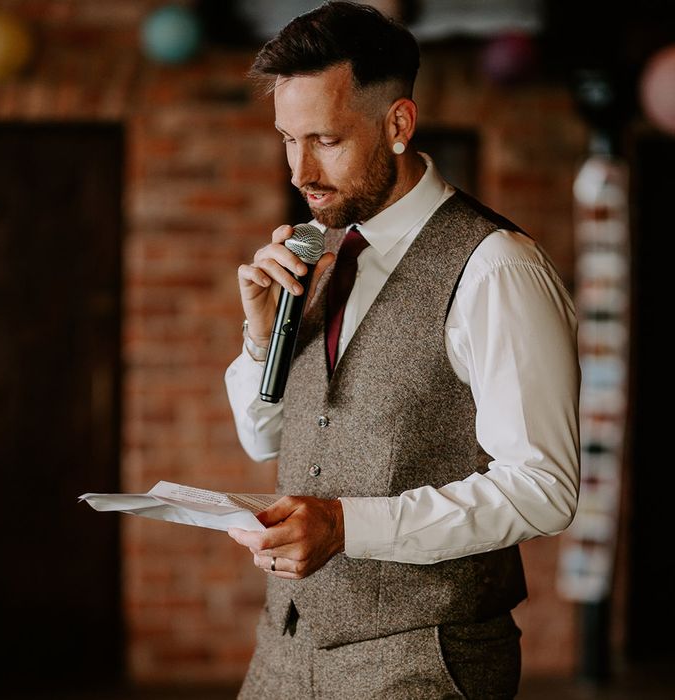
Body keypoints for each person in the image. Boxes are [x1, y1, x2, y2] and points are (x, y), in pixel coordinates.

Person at [224, 2, 580, 697]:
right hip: (281, 656)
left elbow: (546, 487)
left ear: (397, 125)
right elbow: (262, 438)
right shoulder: (319, 249)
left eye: (324, 139)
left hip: (426, 664)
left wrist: (346, 525)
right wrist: (263, 337)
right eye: (287, 139)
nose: (300, 170)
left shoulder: (497, 268)